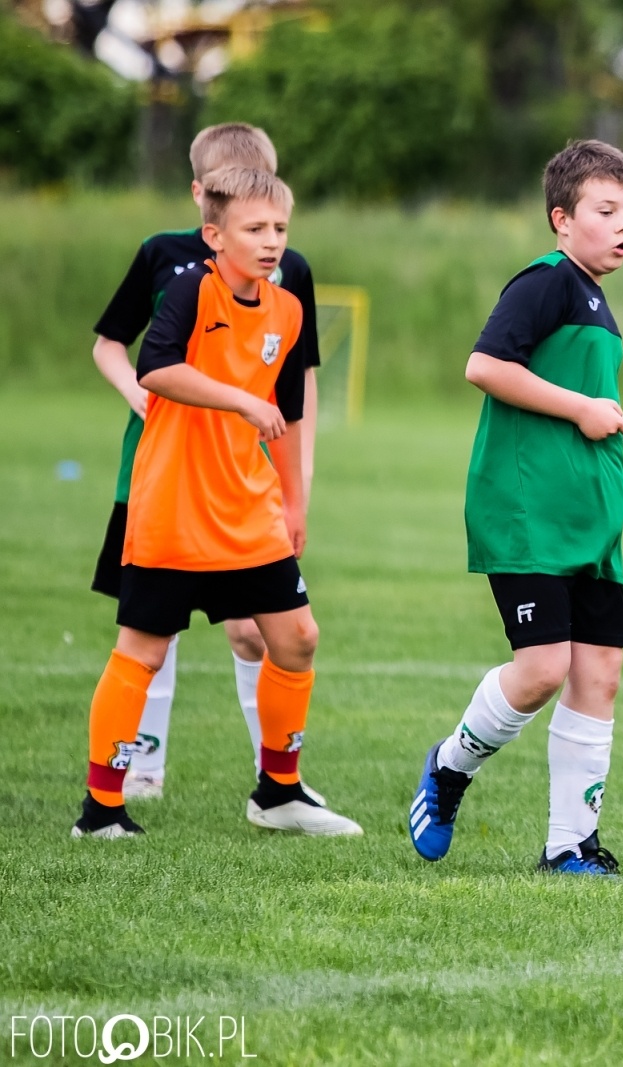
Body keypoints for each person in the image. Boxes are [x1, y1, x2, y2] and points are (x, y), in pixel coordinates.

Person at [73, 166, 359, 839]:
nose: (271, 242)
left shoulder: (287, 309)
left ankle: (279, 793)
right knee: (141, 650)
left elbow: (284, 417)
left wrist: (294, 507)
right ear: (214, 234)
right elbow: (156, 368)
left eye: (280, 229)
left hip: (248, 508)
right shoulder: (189, 291)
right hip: (173, 503)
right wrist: (240, 398)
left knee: (296, 637)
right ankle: (102, 810)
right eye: (254, 229)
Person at [407, 140, 623, 875]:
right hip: (528, 516)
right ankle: (451, 767)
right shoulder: (547, 282)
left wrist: (622, 420)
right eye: (606, 210)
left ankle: (568, 845)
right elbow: (485, 364)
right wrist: (585, 405)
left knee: (599, 673)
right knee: (544, 667)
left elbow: (581, 404)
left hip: (590, 519)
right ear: (561, 218)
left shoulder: (596, 302)